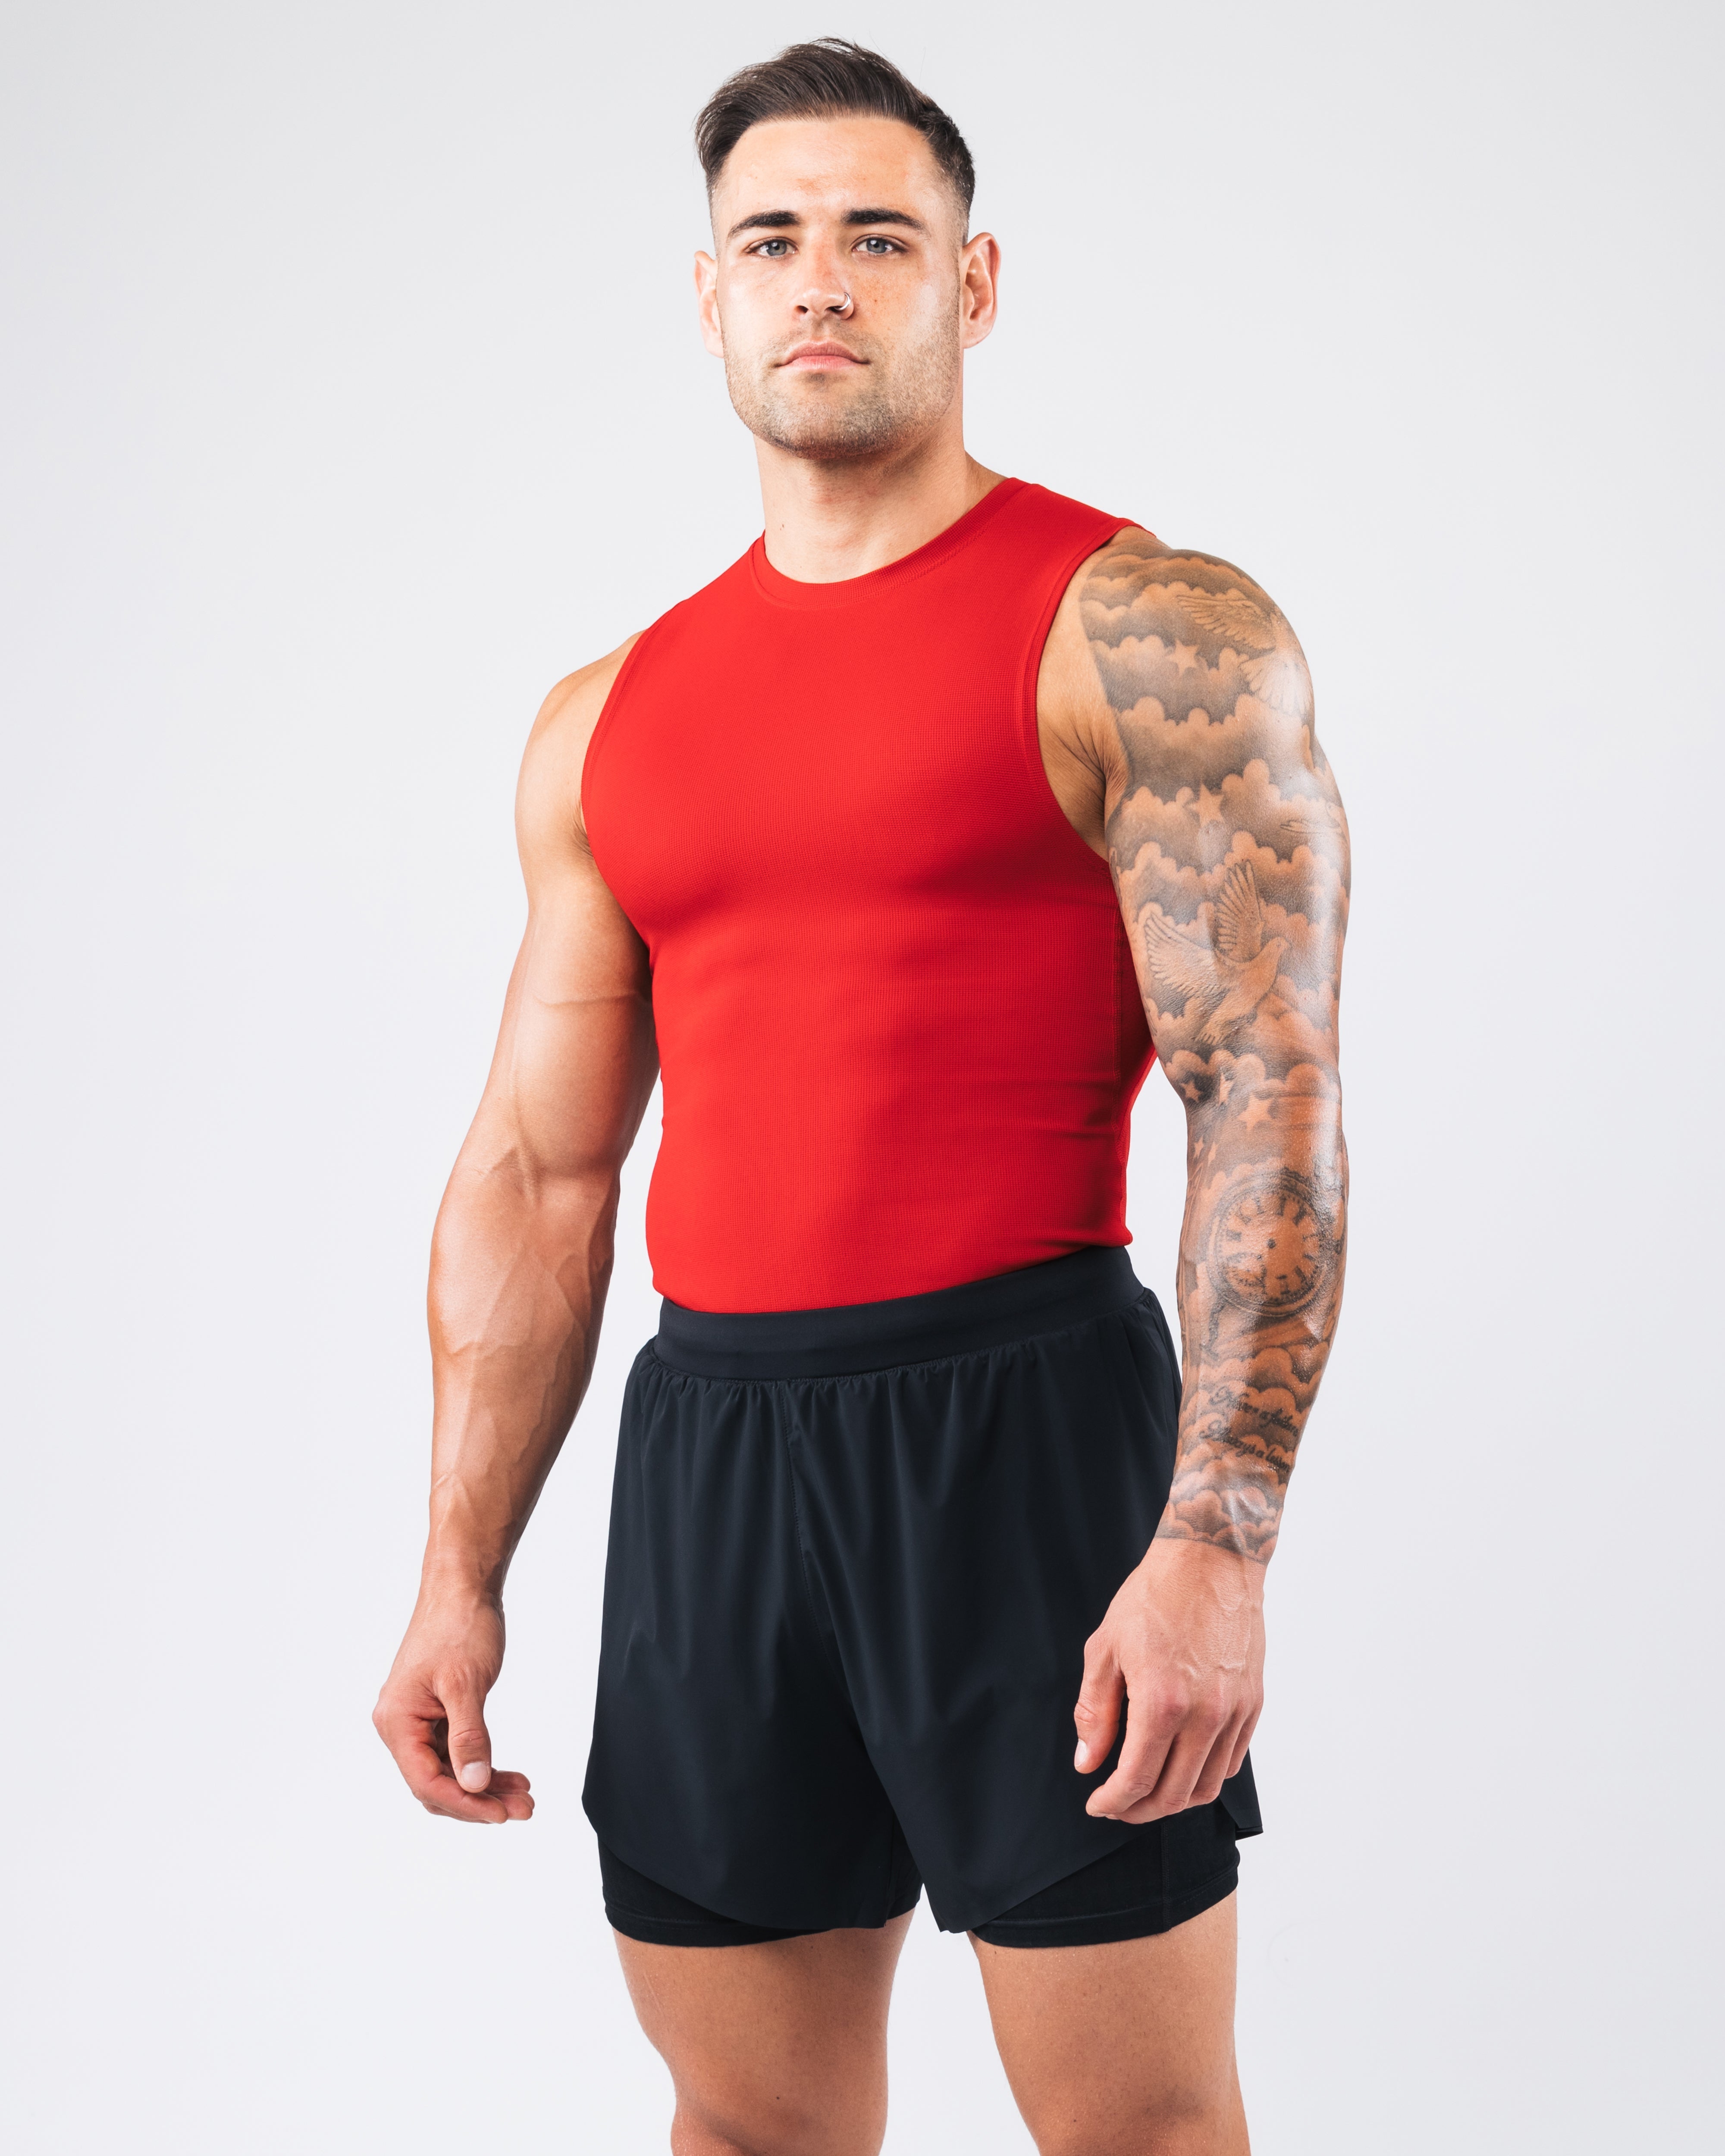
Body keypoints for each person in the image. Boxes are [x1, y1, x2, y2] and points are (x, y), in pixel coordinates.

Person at [373, 38, 1349, 2156]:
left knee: (1139, 2127)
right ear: (707, 292)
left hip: (1026, 1432)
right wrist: (458, 1565)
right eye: (772, 239)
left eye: (878, 236)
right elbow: (541, 1171)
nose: (819, 278)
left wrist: (1215, 1543)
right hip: (714, 1449)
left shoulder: (1144, 629)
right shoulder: (603, 718)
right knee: (746, 2125)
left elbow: (1264, 1095)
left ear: (971, 283)